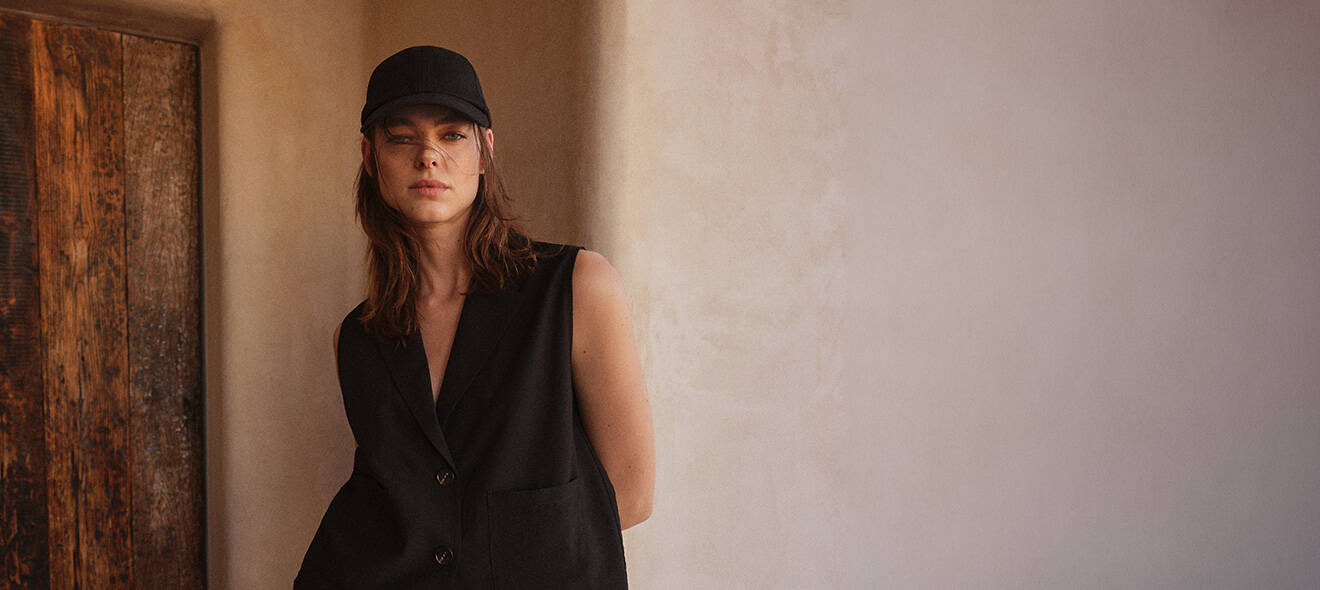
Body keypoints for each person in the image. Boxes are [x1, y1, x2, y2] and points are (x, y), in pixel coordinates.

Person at [295, 46, 654, 589]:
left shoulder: (576, 285)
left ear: (485, 151)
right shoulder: (359, 336)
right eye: (401, 138)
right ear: (370, 158)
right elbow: (385, 497)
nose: (428, 156)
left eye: (452, 134)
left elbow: (630, 493)